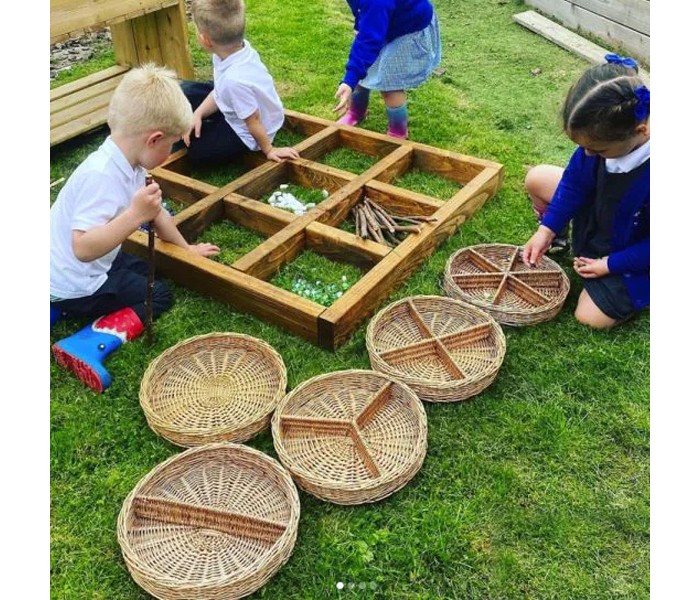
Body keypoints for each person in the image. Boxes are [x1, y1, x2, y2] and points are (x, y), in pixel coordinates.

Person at [50, 64, 220, 393]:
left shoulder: (126, 161)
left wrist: (187, 249)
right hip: (76, 278)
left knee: (145, 268)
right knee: (158, 294)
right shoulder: (102, 177)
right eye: (171, 144)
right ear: (154, 139)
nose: (171, 152)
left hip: (66, 269)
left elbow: (156, 214)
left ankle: (55, 304)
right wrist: (133, 215)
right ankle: (85, 343)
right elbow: (83, 248)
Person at [522, 54, 650, 329]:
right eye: (583, 147)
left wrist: (610, 265)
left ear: (641, 131)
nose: (588, 154)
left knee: (589, 317)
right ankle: (560, 240)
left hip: (635, 245)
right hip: (602, 212)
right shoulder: (604, 140)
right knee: (537, 178)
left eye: (597, 149)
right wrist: (547, 229)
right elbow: (574, 183)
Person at [182, 0, 300, 165]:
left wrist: (269, 149)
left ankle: (201, 128)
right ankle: (197, 119)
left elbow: (253, 120)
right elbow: (219, 91)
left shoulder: (234, 81)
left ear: (205, 40)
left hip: (248, 131)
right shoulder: (238, 50)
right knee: (185, 92)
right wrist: (199, 114)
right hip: (240, 103)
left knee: (198, 151)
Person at [333, 0, 441, 139]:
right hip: (384, 18)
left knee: (390, 85)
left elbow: (369, 41)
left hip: (408, 29)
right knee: (363, 68)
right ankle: (356, 112)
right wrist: (360, 23)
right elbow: (361, 10)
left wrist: (349, 81)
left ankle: (398, 131)